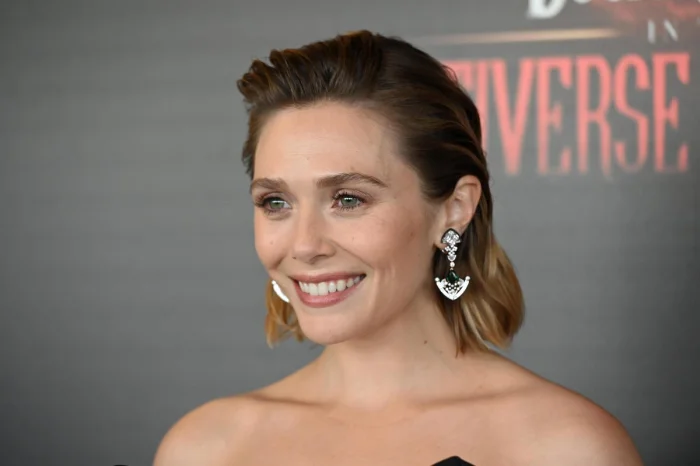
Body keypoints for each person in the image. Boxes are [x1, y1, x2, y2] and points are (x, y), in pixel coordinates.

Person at [153, 30, 643, 465]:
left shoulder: (566, 449)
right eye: (275, 202)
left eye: (348, 199)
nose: (304, 245)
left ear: (454, 208)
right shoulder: (206, 449)